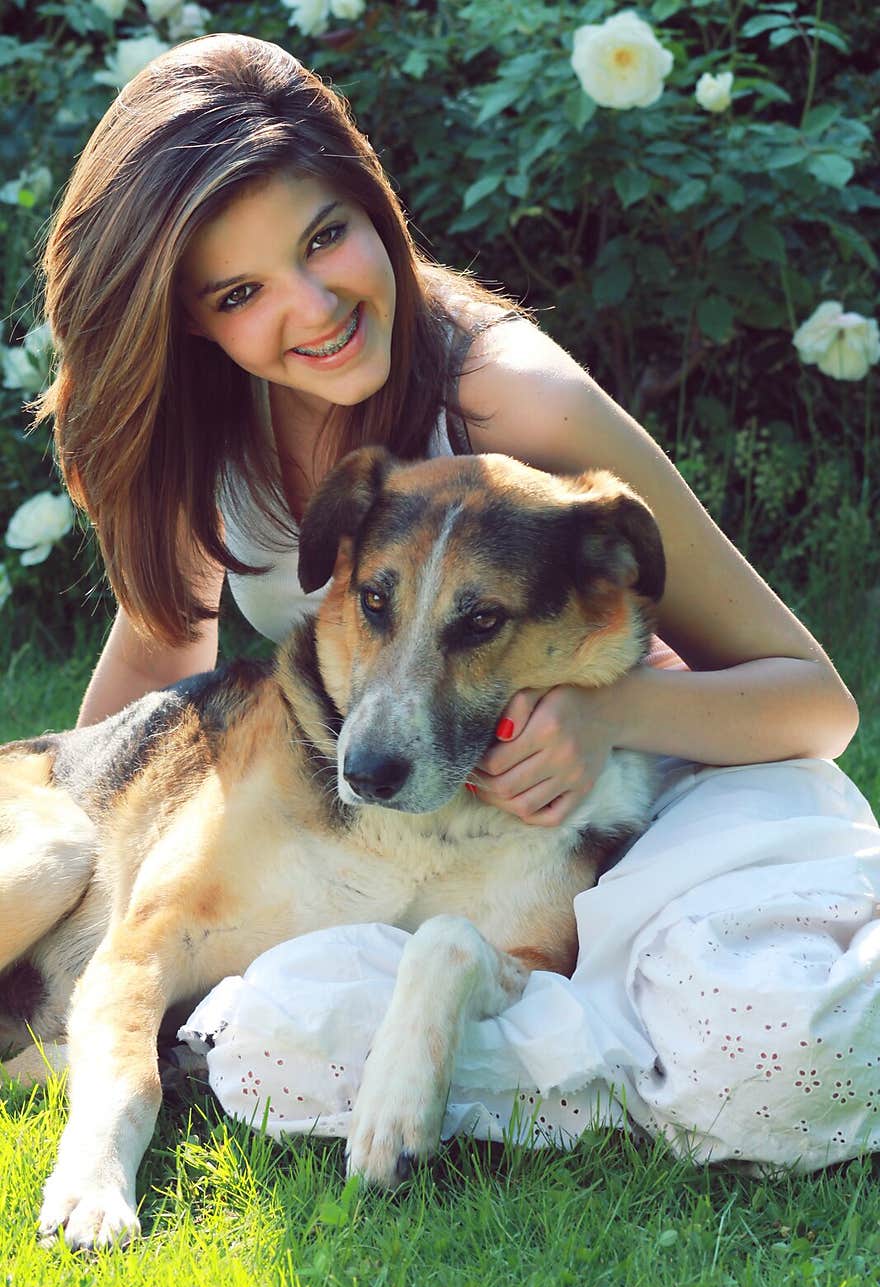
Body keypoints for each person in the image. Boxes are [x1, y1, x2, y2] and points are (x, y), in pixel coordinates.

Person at [37, 33, 880, 1172]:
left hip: (663, 794)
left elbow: (814, 703)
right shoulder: (212, 429)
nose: (311, 308)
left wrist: (610, 716)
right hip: (446, 831)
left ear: (372, 205)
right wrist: (80, 858)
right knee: (291, 1011)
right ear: (189, 319)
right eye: (241, 292)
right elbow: (153, 688)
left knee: (767, 1049)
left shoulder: (512, 400)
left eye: (324, 238)